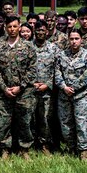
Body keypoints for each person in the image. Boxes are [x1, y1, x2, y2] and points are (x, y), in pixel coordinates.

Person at [0, 16, 38, 160]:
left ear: (19, 27)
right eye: (9, 27)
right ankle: (5, 149)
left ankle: (24, 149)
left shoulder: (28, 46)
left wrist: (21, 87)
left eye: (15, 27)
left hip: (23, 93)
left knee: (25, 121)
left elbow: (32, 69)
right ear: (5, 27)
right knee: (3, 122)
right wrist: (4, 88)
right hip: (3, 93)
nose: (12, 29)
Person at [57, 29, 87, 160]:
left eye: (76, 39)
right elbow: (57, 73)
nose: (74, 41)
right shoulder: (61, 55)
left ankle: (84, 151)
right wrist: (63, 87)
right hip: (64, 96)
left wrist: (73, 87)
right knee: (65, 124)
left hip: (82, 95)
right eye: (71, 39)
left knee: (82, 124)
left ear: (81, 40)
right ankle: (70, 148)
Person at [30, 23, 58, 155]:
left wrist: (47, 84)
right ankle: (29, 145)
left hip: (47, 91)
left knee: (46, 119)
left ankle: (45, 145)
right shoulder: (28, 47)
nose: (40, 32)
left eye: (42, 30)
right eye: (37, 30)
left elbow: (58, 69)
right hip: (30, 89)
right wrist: (31, 83)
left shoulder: (54, 49)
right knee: (29, 118)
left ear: (47, 32)